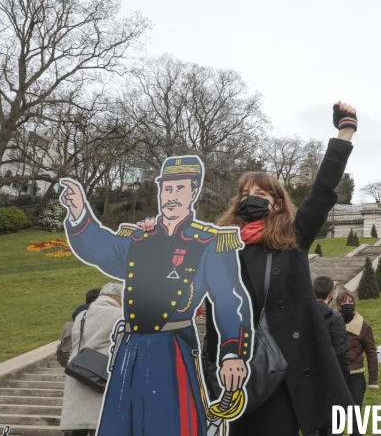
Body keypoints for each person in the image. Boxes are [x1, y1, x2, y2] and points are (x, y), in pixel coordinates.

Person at [60, 155, 253, 436]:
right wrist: (80, 213)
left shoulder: (210, 242)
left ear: (194, 192)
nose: (171, 196)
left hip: (172, 348)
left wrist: (233, 354)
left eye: (179, 189)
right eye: (167, 189)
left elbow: (230, 301)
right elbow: (101, 249)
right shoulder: (140, 237)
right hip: (130, 350)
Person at [204, 102, 357, 436]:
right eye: (245, 193)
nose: (251, 198)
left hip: (288, 369)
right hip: (240, 370)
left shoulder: (293, 237)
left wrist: (344, 132)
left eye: (261, 193)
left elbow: (320, 194)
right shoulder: (222, 248)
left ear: (276, 202)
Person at [60, 283, 123, 436]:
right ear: (116, 297)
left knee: (77, 427)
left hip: (78, 376)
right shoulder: (120, 316)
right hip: (102, 379)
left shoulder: (82, 316)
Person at [312, 275, 350, 436]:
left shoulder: (301, 317)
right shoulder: (336, 319)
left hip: (308, 381)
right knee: (334, 428)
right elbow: (341, 351)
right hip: (332, 379)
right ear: (330, 294)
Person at [337, 290, 378, 436]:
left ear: (354, 304)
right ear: (338, 305)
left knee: (355, 415)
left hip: (356, 377)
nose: (347, 304)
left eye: (350, 302)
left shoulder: (363, 326)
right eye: (344, 302)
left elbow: (372, 353)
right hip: (338, 377)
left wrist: (373, 380)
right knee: (337, 417)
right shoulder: (332, 323)